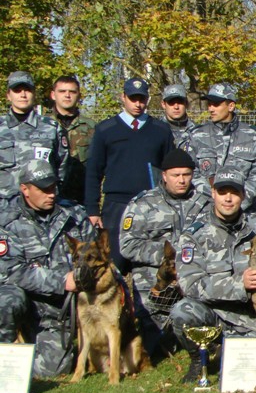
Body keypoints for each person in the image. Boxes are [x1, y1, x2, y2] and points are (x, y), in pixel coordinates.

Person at [169, 166, 256, 383]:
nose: (228, 199)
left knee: (248, 369)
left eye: (234, 193)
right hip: (212, 313)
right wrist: (239, 284)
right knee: (182, 311)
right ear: (213, 194)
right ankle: (199, 358)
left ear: (243, 196)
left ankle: (227, 350)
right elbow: (190, 284)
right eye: (223, 192)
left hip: (250, 316)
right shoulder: (194, 234)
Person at [0, 160, 95, 377]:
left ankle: (25, 359)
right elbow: (13, 272)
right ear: (25, 189)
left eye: (53, 187)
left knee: (51, 370)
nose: (51, 194)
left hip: (61, 310)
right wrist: (62, 281)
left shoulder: (75, 214)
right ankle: (5, 356)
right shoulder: (7, 222)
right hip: (27, 303)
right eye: (43, 189)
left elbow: (95, 255)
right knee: (5, 300)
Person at [119, 148, 212, 358]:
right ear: (163, 175)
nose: (181, 180)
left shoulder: (205, 203)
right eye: (175, 175)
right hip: (155, 282)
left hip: (193, 276)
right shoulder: (143, 204)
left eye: (186, 175)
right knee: (155, 349)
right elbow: (127, 245)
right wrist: (168, 256)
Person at [84, 77, 175, 272]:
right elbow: (93, 172)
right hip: (116, 206)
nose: (138, 104)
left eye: (142, 99)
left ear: (147, 100)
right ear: (123, 97)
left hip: (151, 206)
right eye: (133, 99)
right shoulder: (105, 130)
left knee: (149, 266)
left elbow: (170, 171)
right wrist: (92, 210)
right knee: (113, 265)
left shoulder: (161, 130)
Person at [183, 82, 256, 212]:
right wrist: (214, 196)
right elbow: (189, 170)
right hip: (205, 208)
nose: (211, 109)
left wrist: (240, 198)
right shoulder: (197, 135)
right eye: (209, 104)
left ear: (230, 106)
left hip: (243, 210)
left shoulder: (252, 136)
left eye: (216, 104)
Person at [0, 71, 69, 221]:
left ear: (34, 93)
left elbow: (61, 169)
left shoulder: (50, 128)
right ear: (8, 95)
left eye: (27, 90)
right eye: (17, 90)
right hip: (4, 211)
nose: (23, 95)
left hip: (39, 213)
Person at [49, 75, 96, 204]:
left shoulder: (91, 127)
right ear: (53, 95)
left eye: (72, 92)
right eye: (62, 91)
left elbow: (98, 166)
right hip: (49, 197)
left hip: (81, 198)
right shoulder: (43, 125)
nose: (67, 95)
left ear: (79, 96)